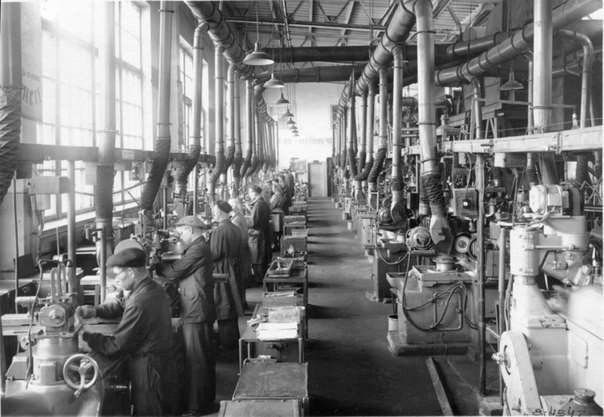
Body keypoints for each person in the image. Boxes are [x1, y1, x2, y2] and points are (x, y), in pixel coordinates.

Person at [77, 248, 173, 416]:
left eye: (117, 274)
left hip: (149, 370)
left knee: (149, 411)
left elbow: (116, 346)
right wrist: (95, 311)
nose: (115, 280)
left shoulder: (140, 302)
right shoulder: (151, 288)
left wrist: (86, 338)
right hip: (158, 363)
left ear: (130, 272)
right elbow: (123, 305)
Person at [154, 216, 218, 416]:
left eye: (181, 232)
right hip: (196, 307)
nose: (180, 236)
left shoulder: (198, 249)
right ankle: (205, 402)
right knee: (202, 358)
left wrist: (156, 264)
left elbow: (175, 271)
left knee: (196, 360)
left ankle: (197, 407)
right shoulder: (198, 247)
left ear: (190, 230)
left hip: (196, 310)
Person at [210, 200, 243, 346]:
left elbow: (214, 254)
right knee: (232, 303)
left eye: (214, 211)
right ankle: (234, 340)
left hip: (222, 270)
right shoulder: (235, 227)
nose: (213, 213)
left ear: (221, 212)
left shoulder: (219, 231)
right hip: (234, 268)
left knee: (223, 304)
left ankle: (227, 343)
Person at [228, 198, 251, 311]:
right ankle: (242, 302)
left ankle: (240, 304)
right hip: (244, 250)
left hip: (240, 251)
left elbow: (237, 238)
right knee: (242, 278)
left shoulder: (235, 220)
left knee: (239, 278)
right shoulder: (240, 217)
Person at [247, 185, 271, 284]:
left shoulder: (258, 205)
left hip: (258, 235)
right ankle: (262, 278)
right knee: (261, 256)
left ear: (254, 192)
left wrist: (245, 221)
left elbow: (253, 222)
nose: (249, 194)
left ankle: (259, 280)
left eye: (249, 192)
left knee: (258, 258)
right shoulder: (262, 202)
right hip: (263, 233)